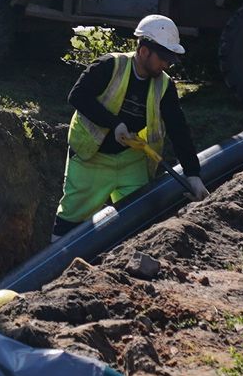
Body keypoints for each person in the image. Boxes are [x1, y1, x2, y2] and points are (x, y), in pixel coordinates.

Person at [51, 14, 210, 240]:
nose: (166, 64)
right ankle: (53, 268)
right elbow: (77, 96)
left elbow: (178, 129)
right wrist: (115, 124)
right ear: (144, 51)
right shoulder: (109, 66)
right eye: (163, 58)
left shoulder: (164, 85)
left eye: (170, 59)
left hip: (130, 160)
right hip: (91, 158)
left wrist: (193, 173)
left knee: (138, 222)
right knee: (70, 221)